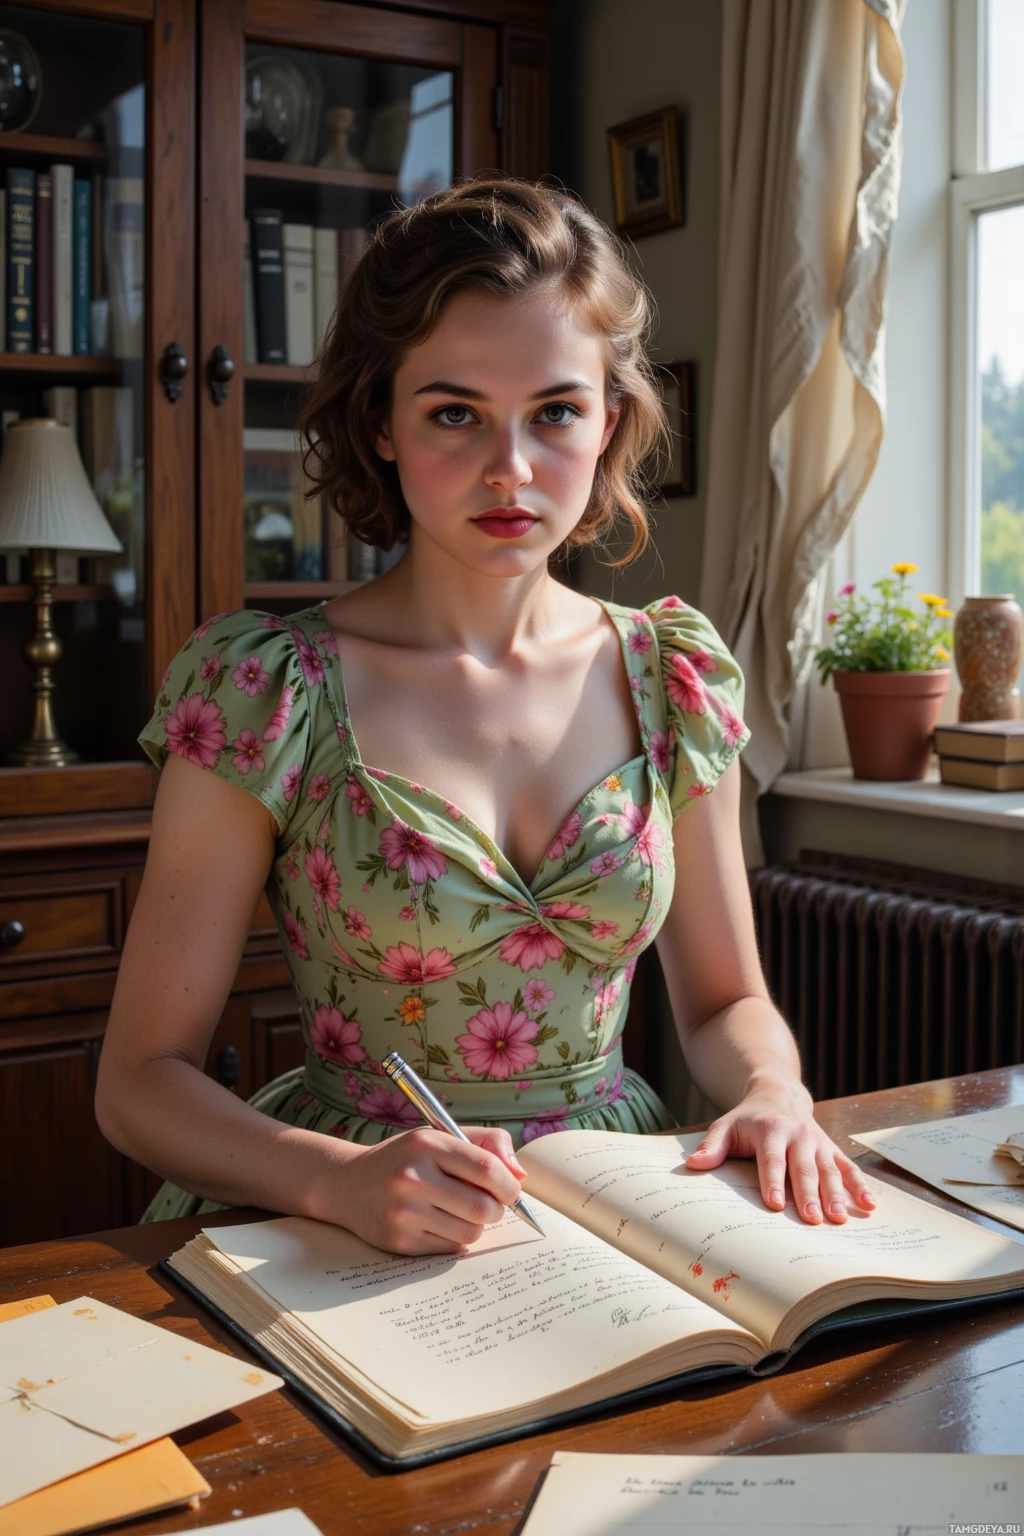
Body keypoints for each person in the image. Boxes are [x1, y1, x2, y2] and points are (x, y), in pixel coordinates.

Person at [95, 176, 875, 1257]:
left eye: (554, 411)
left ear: (607, 419)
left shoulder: (671, 677)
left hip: (612, 1208)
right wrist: (339, 1181)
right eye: (454, 412)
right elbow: (140, 1083)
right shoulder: (268, 688)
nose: (510, 470)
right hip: (334, 1214)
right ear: (380, 421)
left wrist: (771, 1088)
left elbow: (722, 1001)